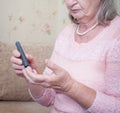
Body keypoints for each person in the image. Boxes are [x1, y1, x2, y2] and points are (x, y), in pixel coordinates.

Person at [10, 0, 120, 113]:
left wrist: (70, 87)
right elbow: (48, 99)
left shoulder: (117, 35)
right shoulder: (66, 33)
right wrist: (33, 77)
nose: (69, 3)